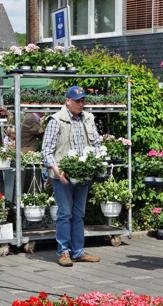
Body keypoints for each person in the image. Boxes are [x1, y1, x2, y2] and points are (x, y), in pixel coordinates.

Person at [42, 86, 101, 267]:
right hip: (63, 176)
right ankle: (64, 252)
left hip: (83, 175)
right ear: (67, 101)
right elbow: (46, 151)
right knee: (65, 214)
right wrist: (58, 172)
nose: (81, 104)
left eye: (83, 100)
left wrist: (98, 162)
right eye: (77, 101)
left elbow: (97, 143)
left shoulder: (88, 118)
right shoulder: (56, 120)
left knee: (78, 214)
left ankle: (78, 252)